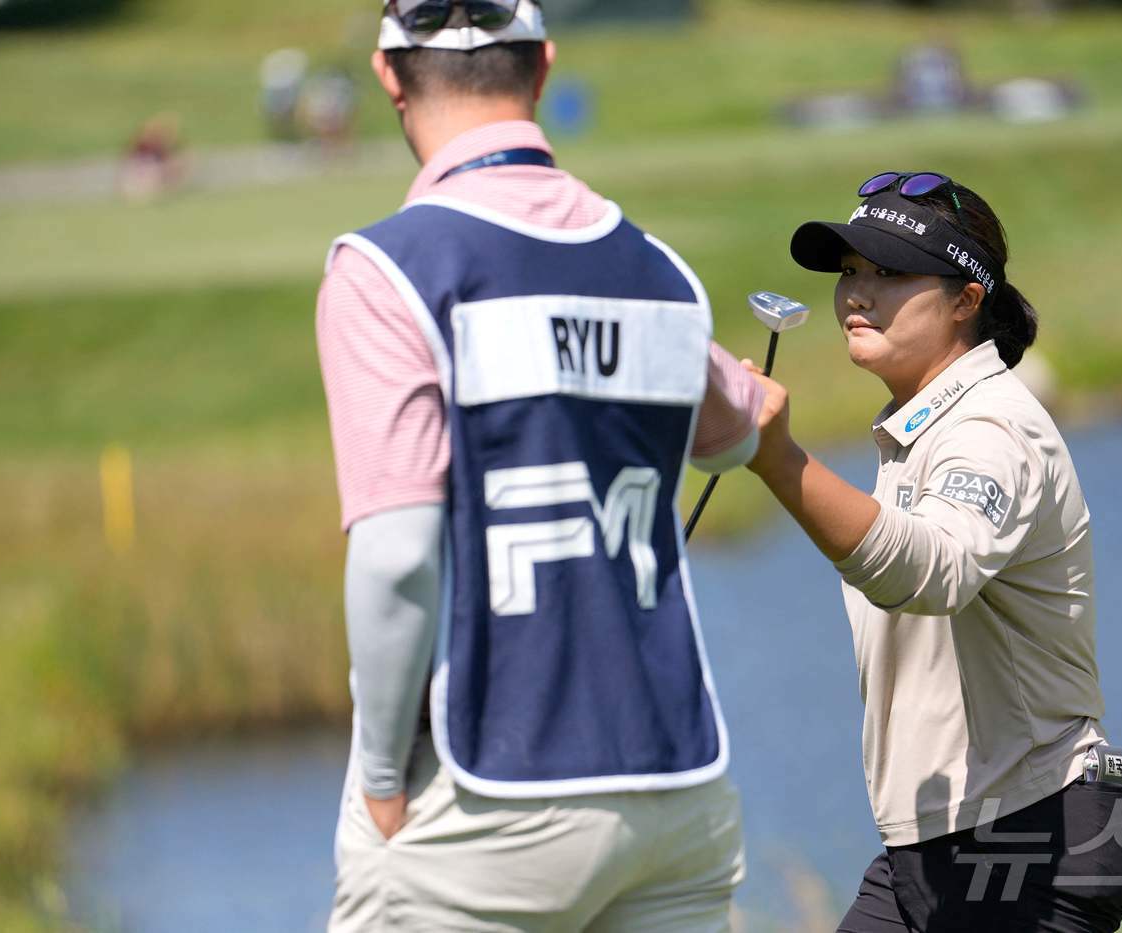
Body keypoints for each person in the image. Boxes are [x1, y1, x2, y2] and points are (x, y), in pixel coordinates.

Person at [314, 1, 764, 929]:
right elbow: (739, 424)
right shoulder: (663, 274)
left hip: (491, 794)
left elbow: (399, 559)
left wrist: (383, 776)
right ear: (546, 68)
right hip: (675, 785)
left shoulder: (386, 269)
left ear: (389, 75)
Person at [739, 172, 1122, 932]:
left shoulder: (991, 429)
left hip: (1036, 828)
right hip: (939, 836)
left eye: (890, 272)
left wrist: (778, 459)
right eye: (851, 272)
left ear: (967, 298)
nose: (857, 293)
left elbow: (931, 570)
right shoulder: (919, 429)